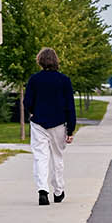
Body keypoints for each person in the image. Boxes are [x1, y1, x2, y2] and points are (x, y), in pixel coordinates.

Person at [23, 47, 77, 206]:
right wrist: (70, 129)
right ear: (56, 61)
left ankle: (42, 190)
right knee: (57, 157)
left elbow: (27, 102)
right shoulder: (64, 80)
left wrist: (33, 112)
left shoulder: (34, 80)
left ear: (39, 61)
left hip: (39, 123)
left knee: (40, 157)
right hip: (59, 124)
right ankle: (58, 191)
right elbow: (70, 107)